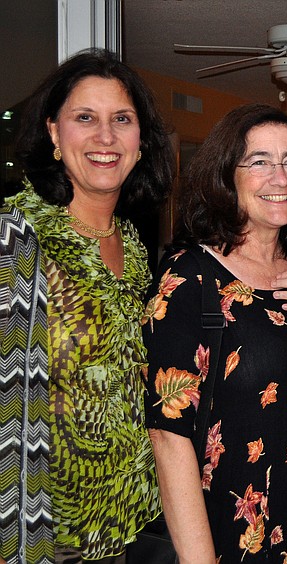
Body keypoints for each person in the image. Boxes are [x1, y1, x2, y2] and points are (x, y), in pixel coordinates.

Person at [0, 48, 174, 563]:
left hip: (126, 527)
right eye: (85, 118)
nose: (105, 137)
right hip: (41, 536)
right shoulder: (17, 237)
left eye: (122, 119)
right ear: (54, 134)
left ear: (140, 142)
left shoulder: (136, 246)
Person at [143, 103, 287, 563]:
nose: (280, 178)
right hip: (228, 533)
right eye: (259, 161)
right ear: (227, 175)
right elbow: (169, 436)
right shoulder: (190, 280)